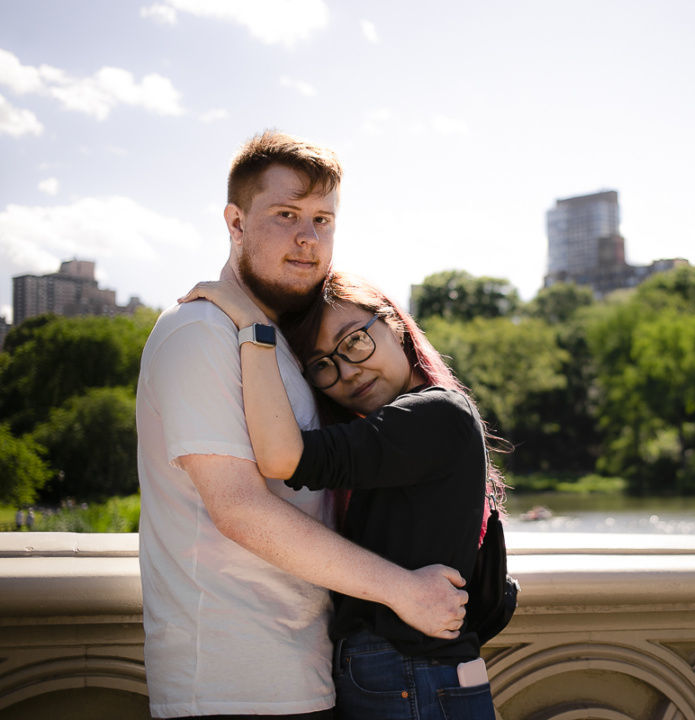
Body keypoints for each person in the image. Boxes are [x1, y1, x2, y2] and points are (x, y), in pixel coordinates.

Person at [137, 131, 468, 720]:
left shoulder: (283, 346)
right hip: (228, 683)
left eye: (323, 219)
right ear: (235, 222)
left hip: (305, 671)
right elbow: (238, 508)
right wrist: (401, 589)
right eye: (286, 214)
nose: (308, 238)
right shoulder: (199, 334)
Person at [180, 271, 505, 720]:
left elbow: (281, 458)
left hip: (412, 673)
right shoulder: (413, 424)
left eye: (354, 342)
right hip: (421, 674)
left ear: (392, 324)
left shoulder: (435, 414)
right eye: (322, 365)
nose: (347, 371)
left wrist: (252, 325)